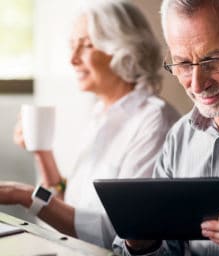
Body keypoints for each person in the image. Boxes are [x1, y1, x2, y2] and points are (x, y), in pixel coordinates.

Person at [3, 0, 180, 250]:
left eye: (86, 45)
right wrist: (41, 151)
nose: (73, 59)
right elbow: (70, 208)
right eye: (72, 46)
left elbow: (119, 234)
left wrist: (22, 195)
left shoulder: (154, 122)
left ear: (124, 48)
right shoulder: (100, 113)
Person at [112, 0, 219, 255]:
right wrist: (142, 244)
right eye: (183, 64)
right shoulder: (180, 137)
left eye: (213, 60)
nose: (197, 85)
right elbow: (170, 248)